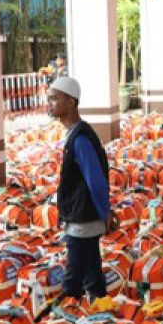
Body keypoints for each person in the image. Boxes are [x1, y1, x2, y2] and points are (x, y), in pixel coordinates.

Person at [48, 75, 114, 299]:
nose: (51, 104)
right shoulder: (75, 135)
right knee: (92, 276)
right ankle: (101, 311)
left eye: (55, 99)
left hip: (84, 221)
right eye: (49, 99)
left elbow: (95, 181)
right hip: (81, 218)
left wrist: (105, 213)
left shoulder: (81, 139)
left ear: (71, 102)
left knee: (72, 283)